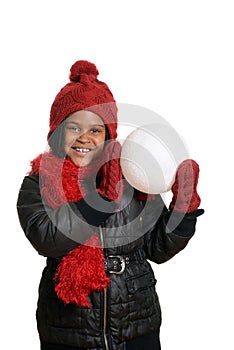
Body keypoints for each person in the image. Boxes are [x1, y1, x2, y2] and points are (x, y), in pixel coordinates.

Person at [17, 60, 204, 350]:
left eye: (96, 130)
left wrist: (184, 208)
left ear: (108, 135)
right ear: (57, 132)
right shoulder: (38, 182)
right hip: (69, 330)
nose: (85, 138)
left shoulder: (132, 175)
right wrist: (99, 202)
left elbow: (158, 248)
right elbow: (47, 239)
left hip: (135, 322)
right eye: (74, 127)